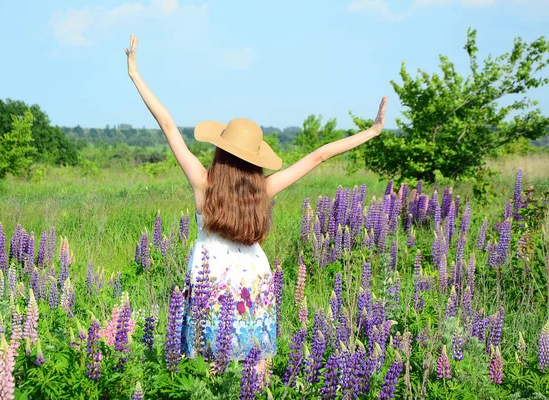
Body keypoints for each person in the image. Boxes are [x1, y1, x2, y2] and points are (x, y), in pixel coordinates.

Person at [125, 35, 387, 376]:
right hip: (254, 278)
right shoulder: (264, 189)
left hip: (211, 281)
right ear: (256, 160)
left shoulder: (203, 184)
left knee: (210, 368)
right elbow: (319, 155)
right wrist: (371, 131)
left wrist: (134, 73)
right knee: (256, 364)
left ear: (219, 151)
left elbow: (167, 124)